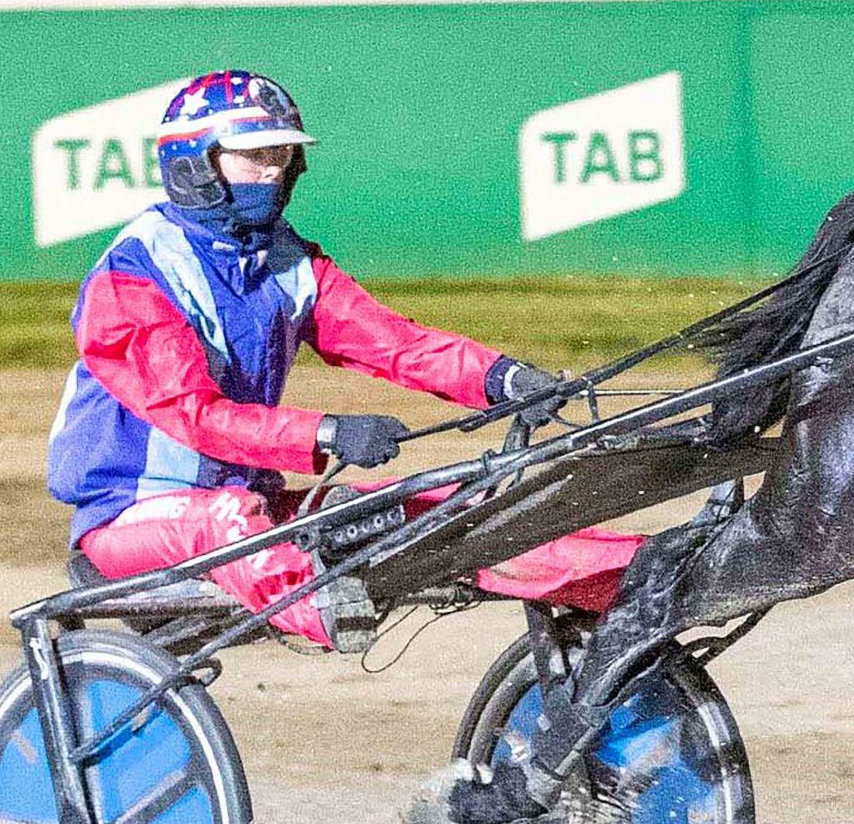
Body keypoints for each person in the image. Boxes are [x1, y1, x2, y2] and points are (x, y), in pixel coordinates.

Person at [47, 69, 641, 651]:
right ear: (195, 165)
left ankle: (638, 579)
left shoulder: (288, 261)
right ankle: (330, 611)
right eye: (254, 155)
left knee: (452, 509)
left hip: (254, 510)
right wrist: (327, 432)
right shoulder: (134, 276)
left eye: (282, 155)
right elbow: (197, 418)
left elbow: (396, 343)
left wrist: (502, 378)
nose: (273, 172)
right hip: (132, 522)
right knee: (230, 515)